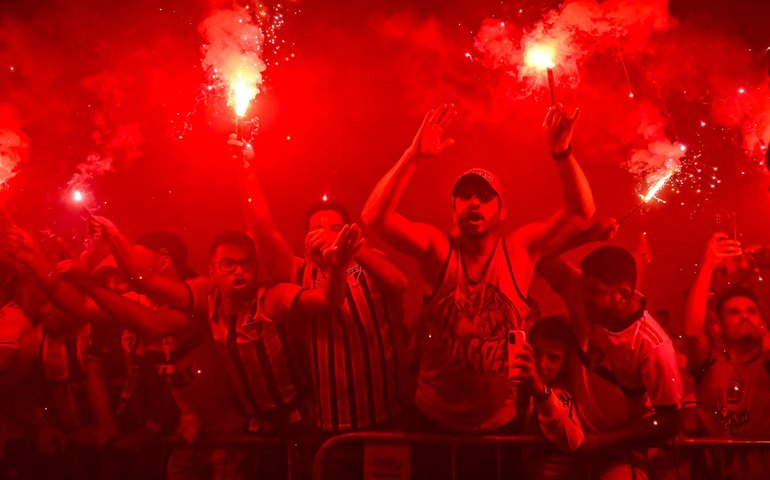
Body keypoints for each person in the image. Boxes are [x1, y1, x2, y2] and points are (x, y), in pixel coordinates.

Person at [229, 134, 409, 479]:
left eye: (335, 228)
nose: (325, 233)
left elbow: (401, 284)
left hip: (386, 418)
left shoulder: (366, 264)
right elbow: (262, 231)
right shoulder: (296, 271)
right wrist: (246, 172)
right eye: (317, 229)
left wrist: (352, 250)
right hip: (329, 425)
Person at [538, 245, 683, 479]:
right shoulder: (582, 295)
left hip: (621, 456)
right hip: (570, 446)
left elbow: (671, 420)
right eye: (583, 287)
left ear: (623, 295)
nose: (583, 296)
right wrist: (588, 236)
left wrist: (602, 442)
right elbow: (540, 254)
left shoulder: (652, 345)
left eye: (594, 290)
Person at [685, 233, 770, 477]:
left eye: (752, 311)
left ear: (763, 322)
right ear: (718, 326)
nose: (744, 315)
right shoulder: (710, 363)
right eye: (734, 312)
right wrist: (707, 266)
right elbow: (693, 330)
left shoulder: (767, 364)